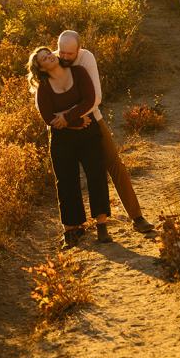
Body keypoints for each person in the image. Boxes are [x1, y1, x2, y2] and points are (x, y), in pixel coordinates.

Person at [47, 29, 155, 233]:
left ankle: (137, 216)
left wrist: (72, 116)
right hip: (62, 127)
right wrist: (69, 120)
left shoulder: (86, 58)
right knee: (65, 176)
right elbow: (41, 96)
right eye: (62, 52)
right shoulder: (51, 60)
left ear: (79, 49)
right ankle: (73, 228)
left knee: (114, 164)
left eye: (70, 53)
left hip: (92, 120)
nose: (65, 57)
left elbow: (95, 98)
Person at [27, 46, 112, 247]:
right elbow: (48, 118)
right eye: (43, 59)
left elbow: (89, 99)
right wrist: (75, 122)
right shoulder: (44, 88)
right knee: (66, 181)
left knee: (96, 174)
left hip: (89, 131)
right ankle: (73, 230)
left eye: (48, 53)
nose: (49, 56)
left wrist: (66, 116)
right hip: (62, 138)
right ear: (41, 68)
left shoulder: (78, 72)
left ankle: (101, 225)